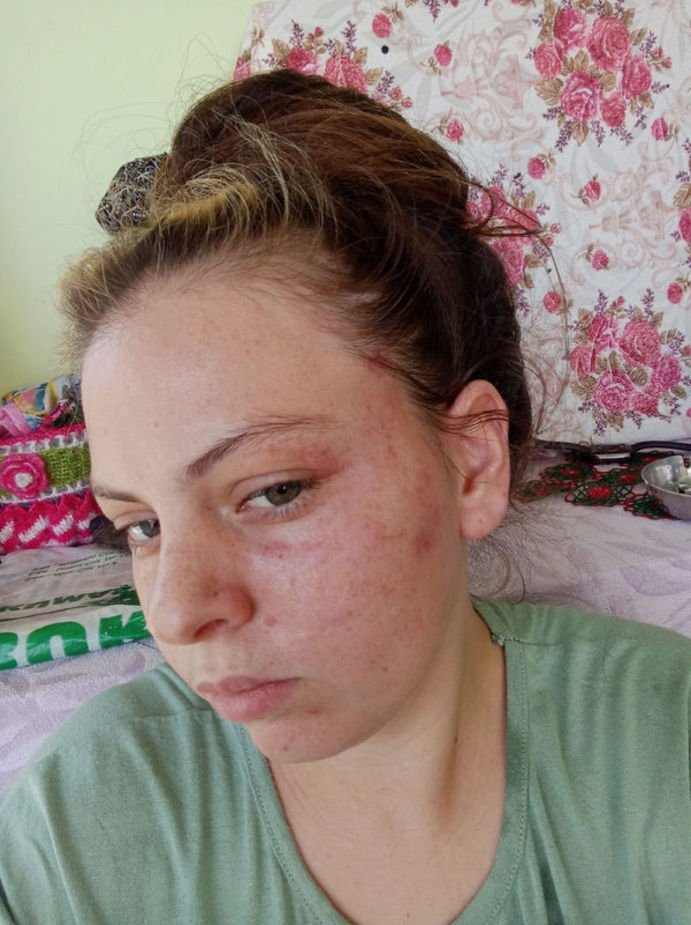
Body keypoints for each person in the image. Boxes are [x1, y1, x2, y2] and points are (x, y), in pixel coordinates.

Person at [1, 69, 689, 925]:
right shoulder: (80, 828)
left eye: (274, 491)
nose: (175, 612)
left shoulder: (660, 753)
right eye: (140, 526)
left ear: (471, 464)